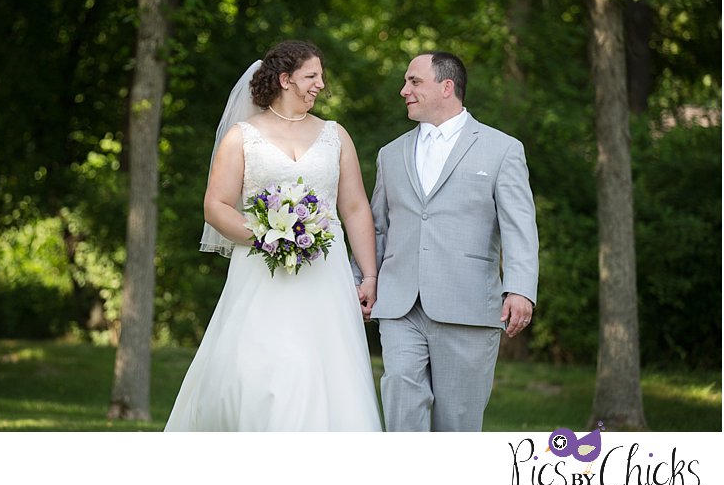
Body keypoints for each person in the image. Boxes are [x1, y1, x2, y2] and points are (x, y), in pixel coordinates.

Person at [165, 40, 382, 431]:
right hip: (260, 272)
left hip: (324, 275)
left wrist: (368, 274)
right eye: (311, 76)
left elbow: (354, 208)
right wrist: (266, 235)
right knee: (260, 370)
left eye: (321, 76)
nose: (320, 84)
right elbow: (216, 206)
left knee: (326, 369)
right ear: (285, 79)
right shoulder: (242, 137)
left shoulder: (335, 135)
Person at [355, 51, 538, 432]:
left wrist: (520, 289)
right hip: (400, 304)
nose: (404, 90)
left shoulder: (502, 149)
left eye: (414, 82)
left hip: (467, 304)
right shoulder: (391, 154)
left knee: (457, 423)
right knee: (401, 402)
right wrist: (365, 279)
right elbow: (377, 226)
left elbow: (519, 225)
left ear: (446, 87)